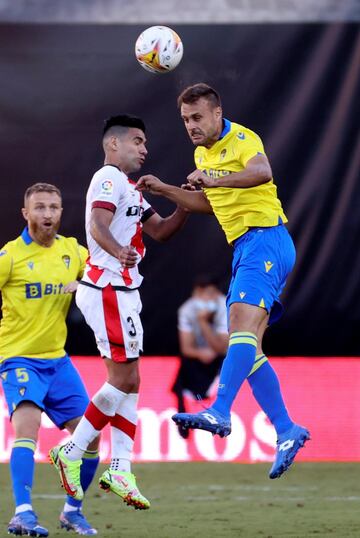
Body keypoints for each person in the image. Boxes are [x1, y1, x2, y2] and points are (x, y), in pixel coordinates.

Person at [137, 83, 310, 479]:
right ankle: (286, 429)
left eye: (197, 117)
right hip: (247, 248)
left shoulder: (242, 138)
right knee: (247, 346)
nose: (191, 126)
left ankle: (220, 410)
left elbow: (261, 172)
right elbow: (207, 204)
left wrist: (214, 178)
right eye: (185, 120)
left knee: (240, 334)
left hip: (265, 238)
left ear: (217, 113)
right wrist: (165, 188)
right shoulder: (202, 154)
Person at [50, 114, 188, 509]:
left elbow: (160, 230)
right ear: (114, 144)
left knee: (132, 379)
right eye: (138, 141)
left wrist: (185, 205)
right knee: (124, 377)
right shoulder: (108, 178)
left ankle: (122, 468)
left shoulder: (130, 188)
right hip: (107, 287)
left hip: (123, 290)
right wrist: (118, 251)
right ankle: (72, 451)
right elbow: (96, 224)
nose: (145, 149)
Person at [0, 183, 99, 536]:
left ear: (60, 212)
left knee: (90, 438)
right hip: (19, 360)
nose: (47, 214)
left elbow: (104, 275)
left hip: (58, 362)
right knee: (27, 432)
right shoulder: (10, 256)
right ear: (25, 213)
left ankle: (72, 512)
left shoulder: (73, 251)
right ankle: (23, 513)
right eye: (39, 207)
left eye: (53, 207)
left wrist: (87, 284)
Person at [172, 275, 228, 438]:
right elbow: (186, 348)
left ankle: (220, 412)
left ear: (217, 294)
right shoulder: (187, 310)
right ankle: (182, 414)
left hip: (221, 360)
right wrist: (201, 353)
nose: (204, 299)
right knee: (180, 375)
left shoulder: (225, 307)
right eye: (200, 294)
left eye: (210, 293)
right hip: (199, 359)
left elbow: (222, 347)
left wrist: (203, 322)